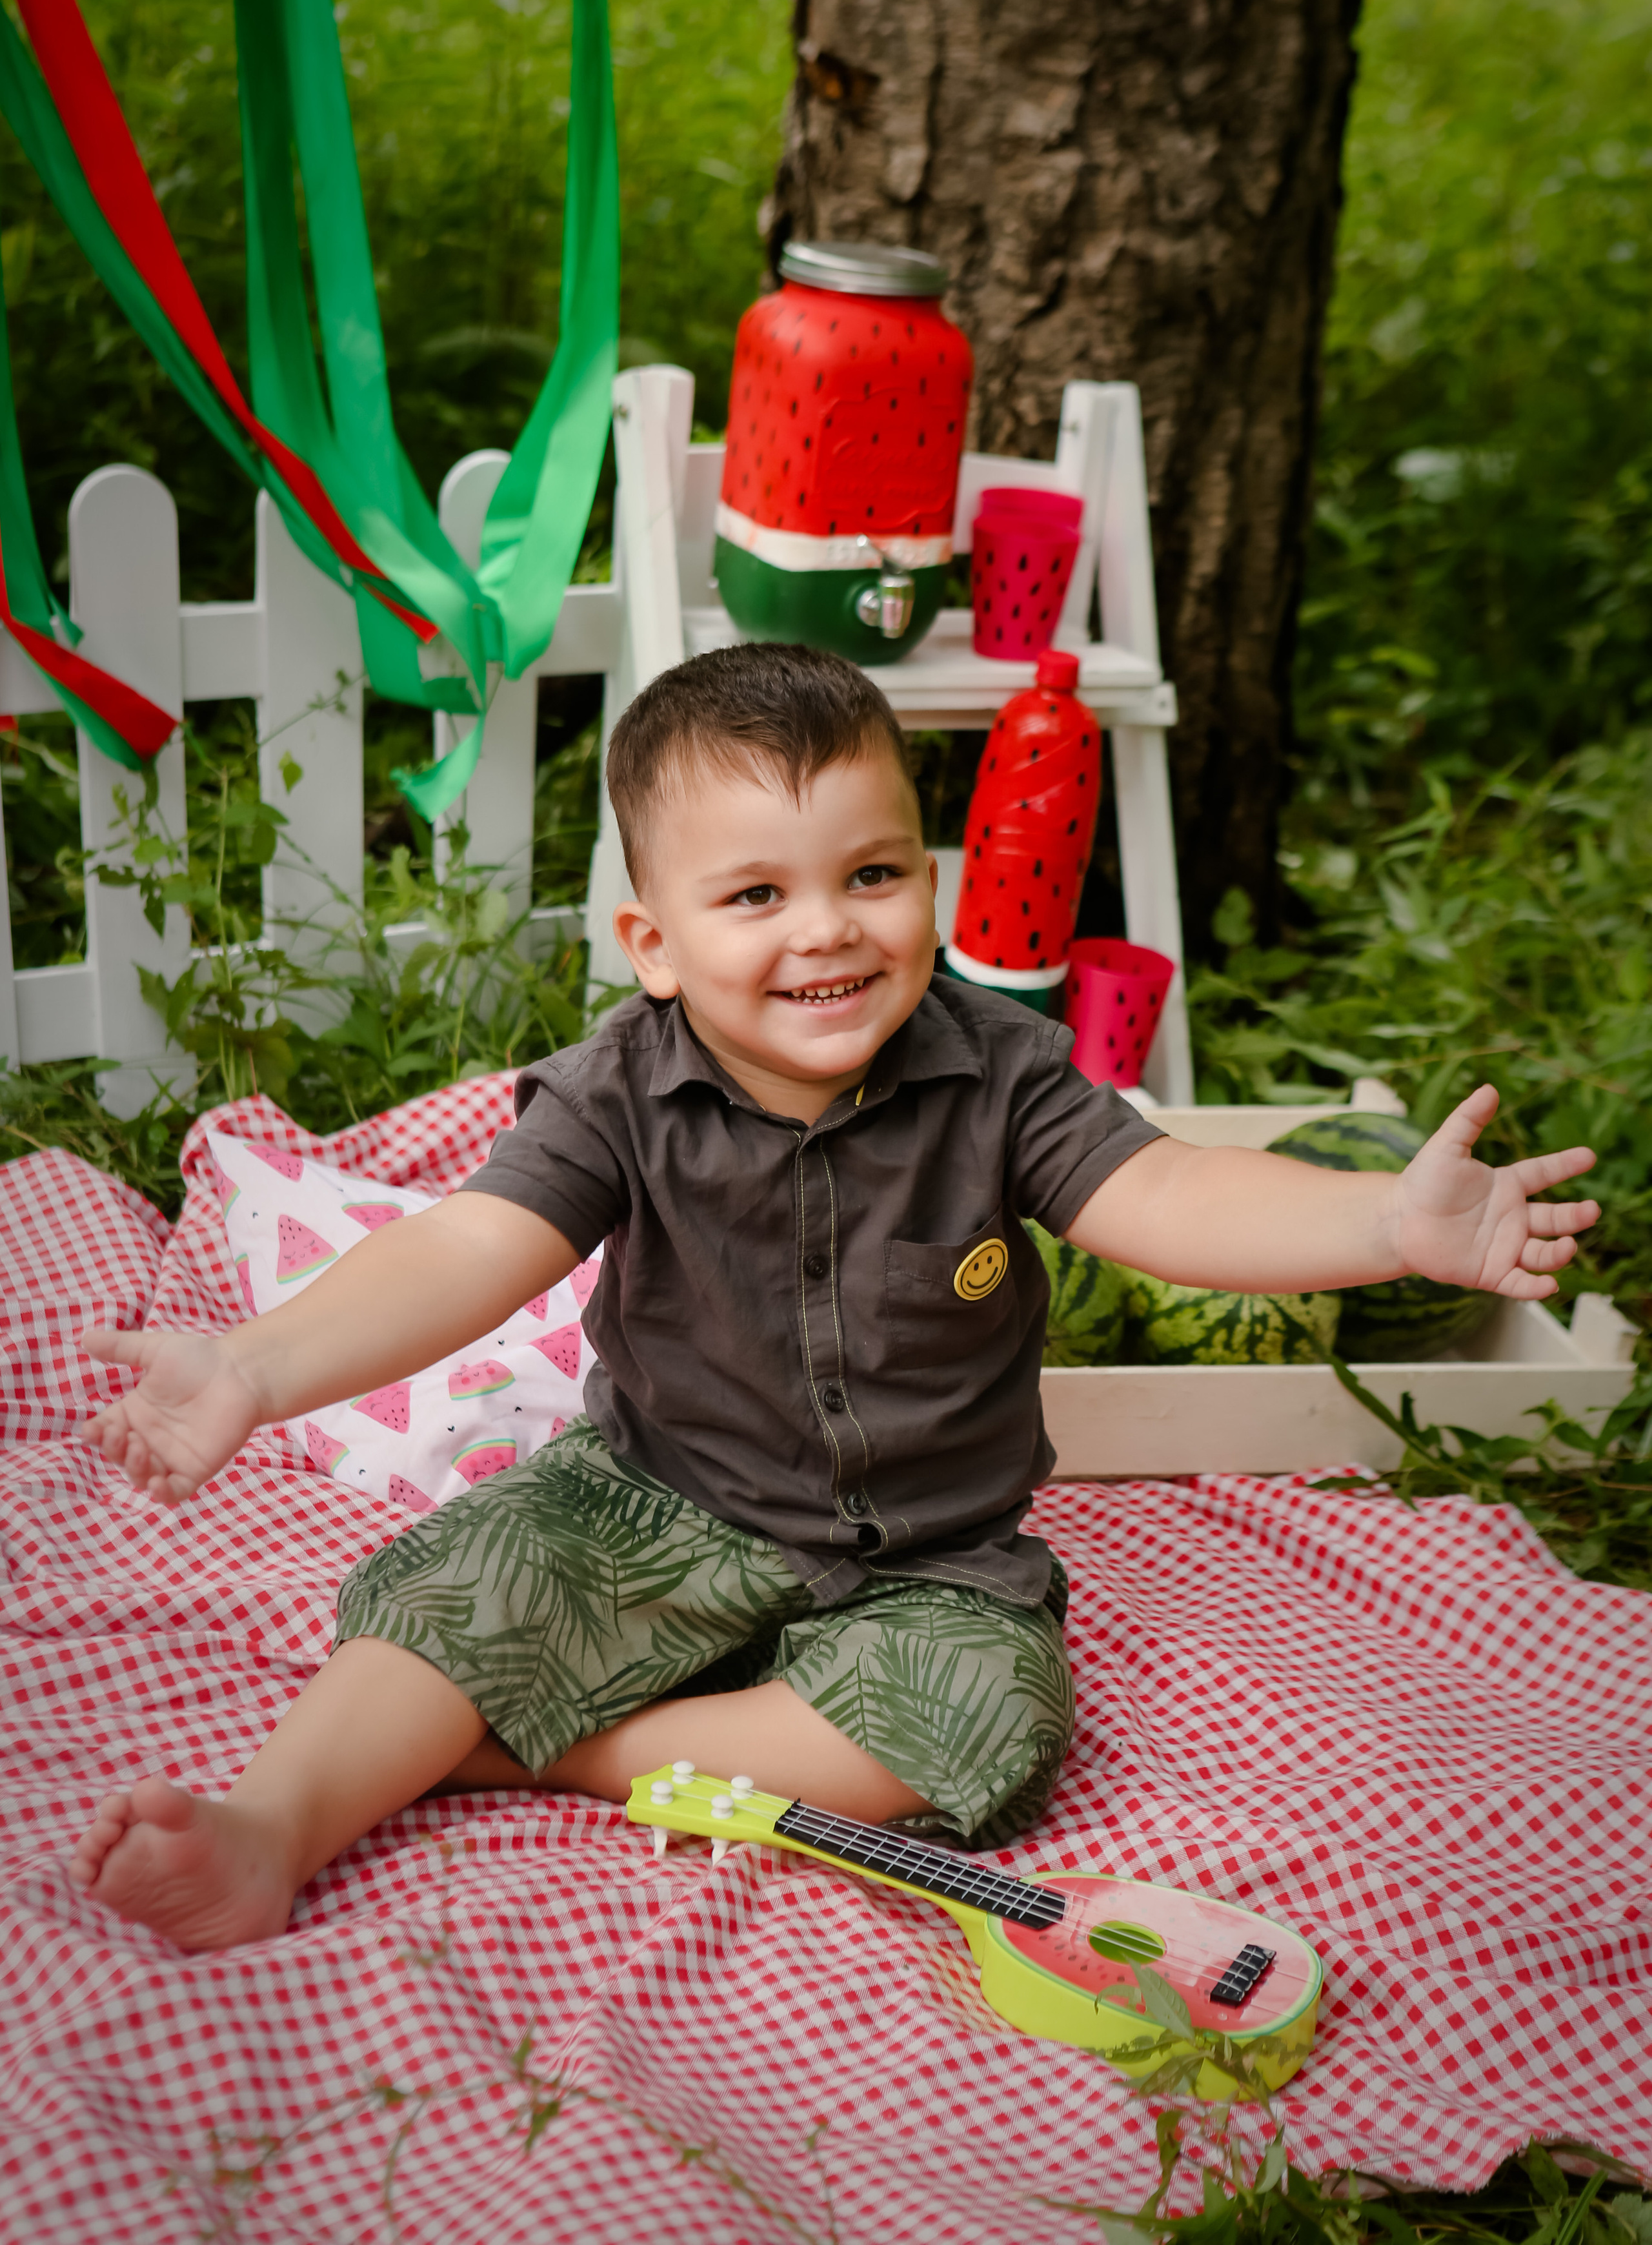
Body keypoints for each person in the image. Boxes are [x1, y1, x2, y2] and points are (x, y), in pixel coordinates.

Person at [68, 644, 1598, 1953]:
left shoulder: (995, 1073)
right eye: (755, 894)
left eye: (871, 874)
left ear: (926, 882)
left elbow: (1175, 1194)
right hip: (659, 1499)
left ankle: (524, 1749)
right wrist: (259, 1369)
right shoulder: (617, 1095)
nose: (826, 928)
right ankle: (272, 1825)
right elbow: (468, 1247)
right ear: (655, 947)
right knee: (455, 1593)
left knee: (982, 1724)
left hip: (929, 1558)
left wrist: (1387, 1222)